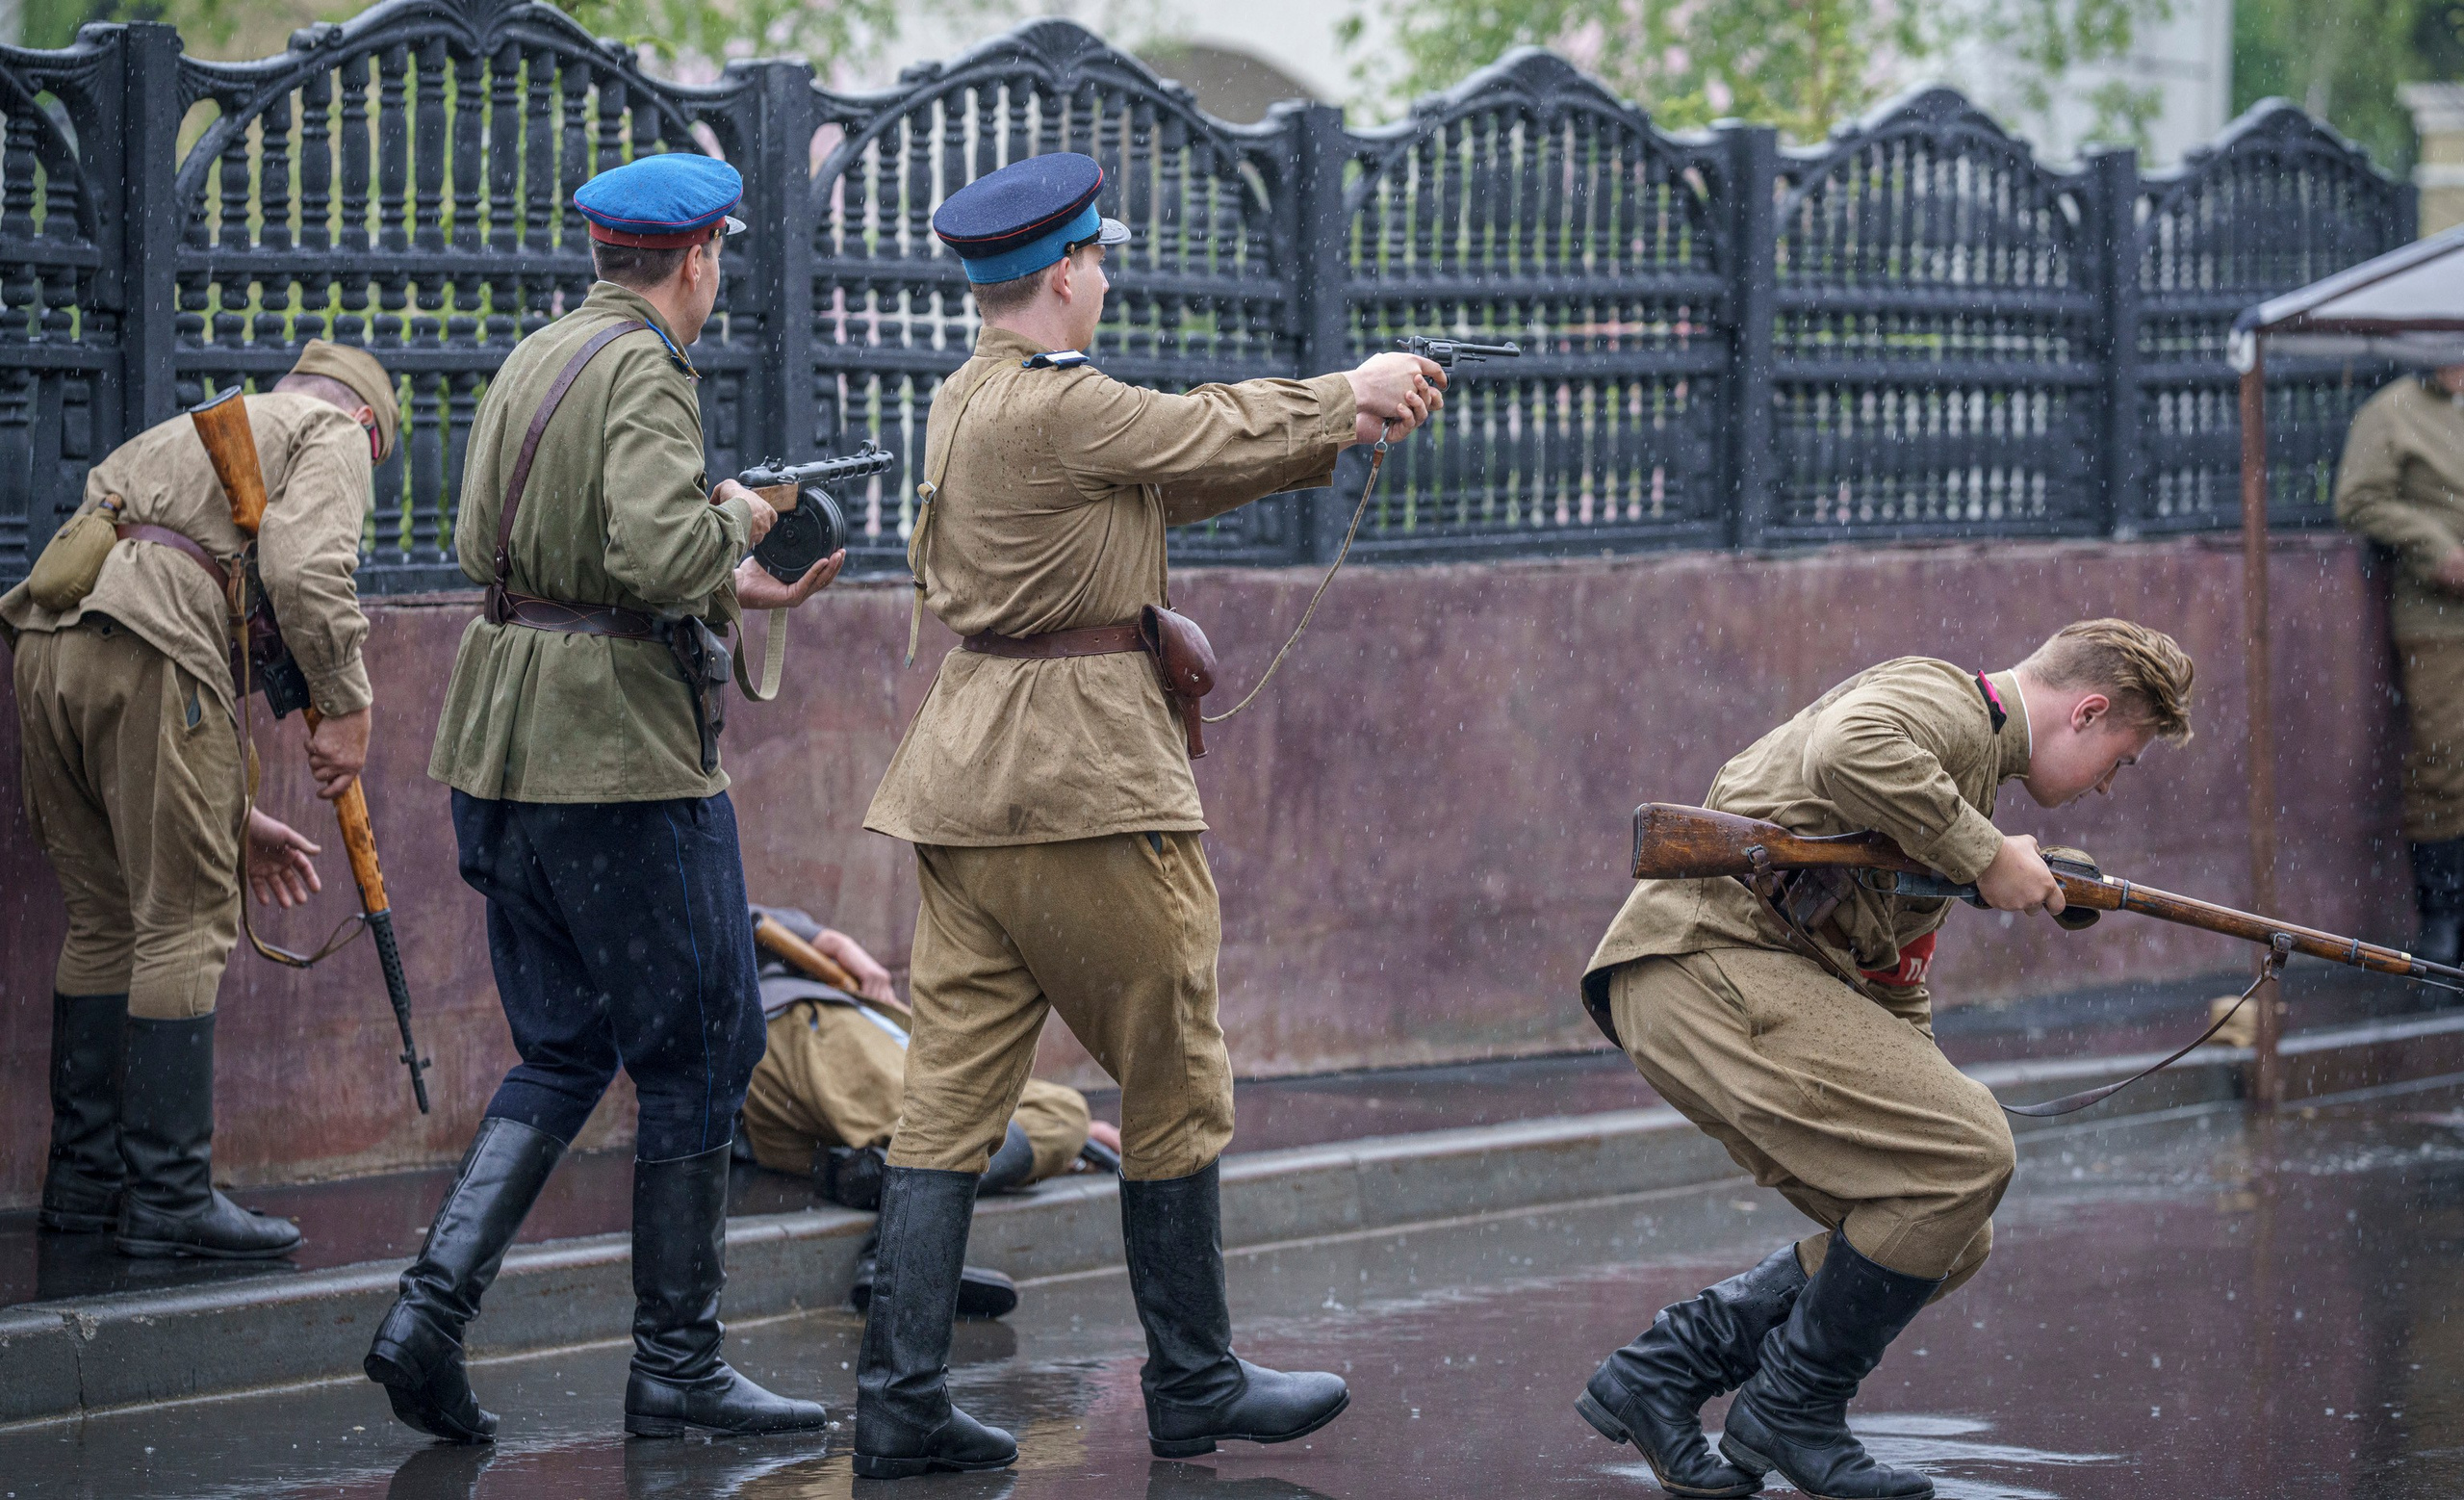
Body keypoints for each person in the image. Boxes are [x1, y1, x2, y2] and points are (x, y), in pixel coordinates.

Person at [851, 149, 1446, 1480]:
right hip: (1084, 784)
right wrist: (1346, 391)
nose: (1106, 277)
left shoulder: (968, 396)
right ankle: (1193, 1382)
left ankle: (899, 1400)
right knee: (1174, 1070)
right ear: (1064, 270)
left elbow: (1159, 478)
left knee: (944, 1101)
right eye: (1100, 259)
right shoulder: (1064, 406)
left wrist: (1335, 429)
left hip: (968, 783)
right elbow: (1188, 433)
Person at [365, 151, 842, 1446]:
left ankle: (426, 1316)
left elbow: (534, 547)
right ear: (698, 258)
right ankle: (678, 1365)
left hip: (501, 752)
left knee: (568, 1047)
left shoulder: (539, 355)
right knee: (703, 1048)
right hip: (615, 762)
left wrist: (722, 568)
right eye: (721, 254)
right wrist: (740, 518)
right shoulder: (645, 368)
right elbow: (654, 547)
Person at [1573, 620, 2194, 1500]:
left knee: (1952, 1225)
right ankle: (1791, 1410)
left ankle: (1665, 1372)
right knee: (1968, 1153)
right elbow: (1847, 746)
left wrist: (1926, 1084)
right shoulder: (1948, 704)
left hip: (1733, 982)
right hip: (1705, 966)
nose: (2106, 789)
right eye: (2120, 760)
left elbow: (1892, 977)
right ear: (2087, 711)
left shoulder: (1965, 782)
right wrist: (1985, 856)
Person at [5, 339, 395, 1260]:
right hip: (153, 654)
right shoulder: (333, 433)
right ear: (368, 423)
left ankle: (86, 1183)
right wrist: (347, 704)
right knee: (183, 923)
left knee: (104, 921)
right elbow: (303, 575)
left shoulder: (171, 436)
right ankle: (171, 1198)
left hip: (47, 651)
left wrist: (232, 807)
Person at [740, 903, 1123, 1320]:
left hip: (780, 1083)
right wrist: (827, 940)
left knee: (1056, 1116)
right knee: (1061, 1115)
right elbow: (729, 912)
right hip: (806, 1024)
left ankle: (878, 1179)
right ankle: (899, 1255)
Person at [2336, 366, 2464, 968]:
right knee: (2444, 762)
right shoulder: (2393, 411)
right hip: (2441, 618)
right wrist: (2435, 548)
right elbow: (2357, 498)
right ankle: (2442, 924)